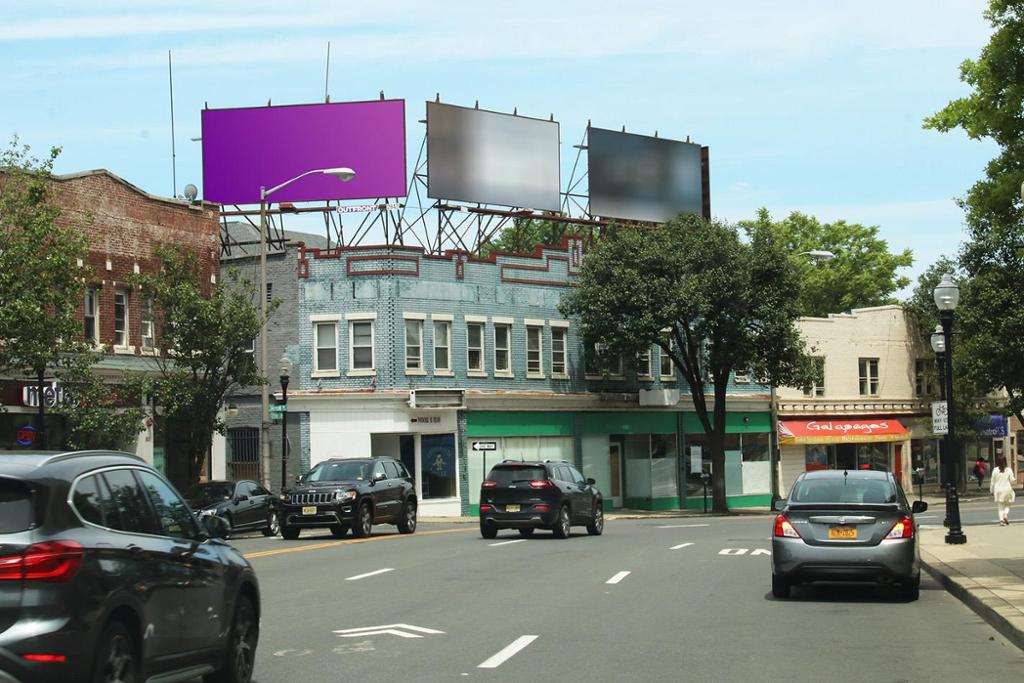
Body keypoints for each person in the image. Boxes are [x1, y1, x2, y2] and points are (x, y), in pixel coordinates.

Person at [989, 456, 1015, 526]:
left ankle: (1001, 521)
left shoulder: (995, 470)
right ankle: (1005, 515)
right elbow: (1012, 480)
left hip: (998, 490)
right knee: (1008, 504)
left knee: (1000, 506)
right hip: (1007, 489)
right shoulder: (1008, 470)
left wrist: (991, 490)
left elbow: (992, 481)